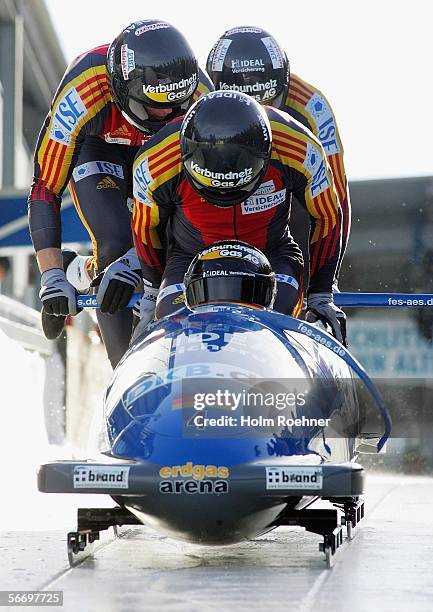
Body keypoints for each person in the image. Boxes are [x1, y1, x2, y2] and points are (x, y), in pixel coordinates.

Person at [28, 19, 213, 368]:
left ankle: (80, 272)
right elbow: (45, 187)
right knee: (115, 242)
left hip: (166, 153)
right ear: (121, 89)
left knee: (171, 246)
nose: (169, 115)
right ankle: (122, 374)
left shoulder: (201, 102)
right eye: (156, 106)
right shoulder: (83, 91)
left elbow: (200, 206)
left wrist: (137, 263)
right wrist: (49, 275)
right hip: (99, 147)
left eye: (179, 107)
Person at [100, 91, 347, 345]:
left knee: (276, 321)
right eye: (213, 190)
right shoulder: (155, 161)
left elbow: (327, 214)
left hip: (272, 254)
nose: (223, 197)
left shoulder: (299, 147)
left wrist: (321, 294)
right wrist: (152, 292)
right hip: (190, 258)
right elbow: (146, 226)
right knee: (172, 327)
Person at [205, 26, 350, 282]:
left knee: (314, 198)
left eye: (267, 101)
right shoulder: (200, 96)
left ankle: (297, 283)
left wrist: (327, 282)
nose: (261, 115)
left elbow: (335, 199)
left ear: (284, 85)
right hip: (221, 183)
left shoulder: (312, 107)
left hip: (282, 188)